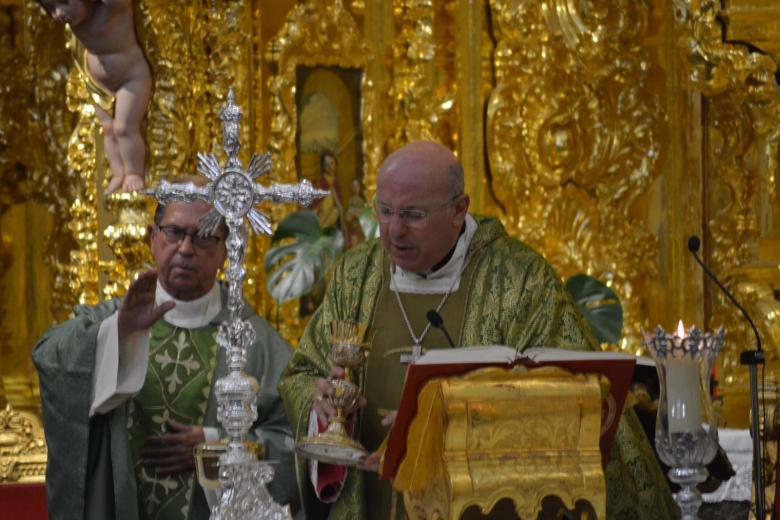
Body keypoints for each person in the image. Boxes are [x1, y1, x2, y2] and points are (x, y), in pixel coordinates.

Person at [278, 141, 678, 519]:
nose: (393, 230)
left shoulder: (521, 281)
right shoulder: (356, 275)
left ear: (459, 208)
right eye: (384, 210)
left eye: (413, 215)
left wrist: (455, 420)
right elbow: (302, 374)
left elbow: (576, 401)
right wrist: (320, 406)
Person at [33, 179, 299, 520]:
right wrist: (119, 331)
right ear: (152, 238)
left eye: (203, 236)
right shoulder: (113, 319)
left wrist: (216, 446)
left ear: (226, 250)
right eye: (174, 232)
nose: (186, 249)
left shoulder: (256, 342)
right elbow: (48, 357)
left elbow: (296, 444)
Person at [37, 0, 152, 195]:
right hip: (97, 83)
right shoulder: (75, 20)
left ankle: (134, 172)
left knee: (123, 128)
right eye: (50, 8)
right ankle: (118, 173)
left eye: (63, 3)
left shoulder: (111, 8)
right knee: (107, 129)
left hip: (130, 79)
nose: (57, 13)